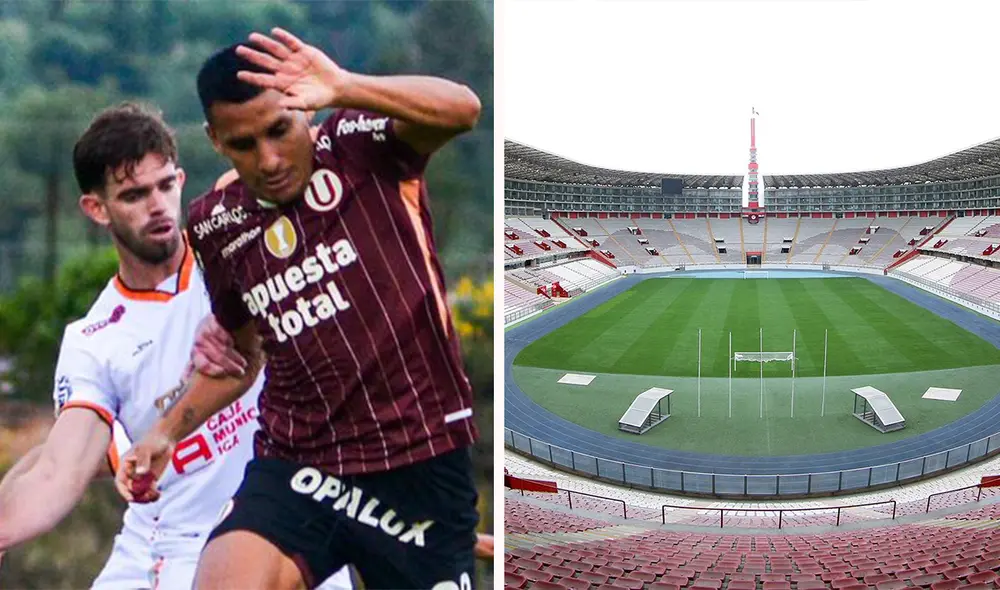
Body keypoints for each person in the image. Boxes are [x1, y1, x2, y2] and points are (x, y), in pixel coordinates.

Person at [117, 28, 484, 589]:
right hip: (300, 464)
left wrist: (345, 85)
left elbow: (463, 109)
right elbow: (241, 355)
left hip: (420, 462)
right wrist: (165, 433)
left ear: (305, 109)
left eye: (279, 131)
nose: (268, 160)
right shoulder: (216, 223)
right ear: (215, 141)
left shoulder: (361, 144)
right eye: (243, 144)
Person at [0, 102, 352, 590]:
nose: (158, 206)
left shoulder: (238, 251)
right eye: (134, 195)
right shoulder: (94, 339)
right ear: (96, 209)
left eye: (165, 185)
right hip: (169, 551)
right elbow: (58, 469)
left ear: (181, 180)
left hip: (290, 535)